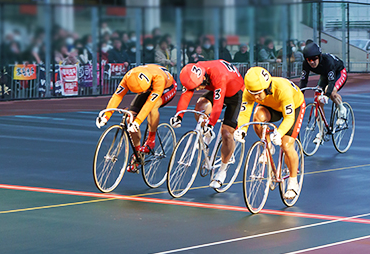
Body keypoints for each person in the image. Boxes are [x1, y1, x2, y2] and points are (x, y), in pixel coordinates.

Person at [171, 60, 245, 188]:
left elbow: (218, 104)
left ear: (204, 78)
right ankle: (207, 136)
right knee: (200, 105)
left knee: (226, 133)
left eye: (199, 86)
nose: (198, 89)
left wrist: (211, 125)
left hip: (235, 93)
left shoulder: (218, 75)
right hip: (216, 88)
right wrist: (179, 116)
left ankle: (222, 170)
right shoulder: (193, 73)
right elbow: (186, 95)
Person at [235, 67, 305, 200]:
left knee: (286, 145)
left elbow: (289, 118)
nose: (254, 97)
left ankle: (293, 181)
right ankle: (269, 148)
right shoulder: (250, 92)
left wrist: (279, 133)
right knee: (257, 117)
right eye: (252, 93)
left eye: (258, 93)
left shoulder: (282, 89)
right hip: (271, 106)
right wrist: (242, 130)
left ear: (267, 87)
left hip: (293, 107)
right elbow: (245, 113)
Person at [96, 64, 178, 171]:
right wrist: (106, 116)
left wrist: (138, 122)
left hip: (166, 88)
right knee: (130, 117)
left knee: (153, 107)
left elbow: (149, 103)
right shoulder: (129, 77)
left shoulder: (159, 79)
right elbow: (118, 95)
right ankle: (138, 153)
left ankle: (151, 139)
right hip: (147, 86)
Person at [299, 42, 348, 143]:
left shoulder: (328, 61)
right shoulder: (305, 64)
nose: (312, 62)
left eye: (314, 59)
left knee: (330, 92)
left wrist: (326, 95)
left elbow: (331, 82)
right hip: (324, 74)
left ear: (319, 56)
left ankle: (342, 110)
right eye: (309, 59)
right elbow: (303, 81)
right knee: (317, 98)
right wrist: (299, 96)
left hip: (338, 72)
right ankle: (322, 131)